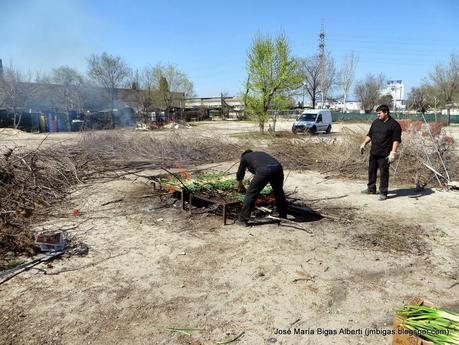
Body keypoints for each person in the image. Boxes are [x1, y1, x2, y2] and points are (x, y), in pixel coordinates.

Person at [360, 104, 402, 200]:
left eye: (379, 113)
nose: (377, 115)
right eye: (377, 113)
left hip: (385, 155)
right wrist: (364, 143)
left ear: (386, 112)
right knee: (371, 171)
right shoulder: (376, 122)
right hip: (374, 152)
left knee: (384, 173)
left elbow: (396, 140)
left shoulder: (394, 125)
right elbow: (370, 135)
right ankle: (371, 188)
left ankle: (383, 192)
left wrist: (393, 153)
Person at [235, 150, 288, 226]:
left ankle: (242, 220)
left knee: (251, 194)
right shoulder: (260, 154)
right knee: (279, 192)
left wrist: (240, 184)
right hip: (278, 168)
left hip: (264, 170)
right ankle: (283, 215)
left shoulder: (245, 157)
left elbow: (240, 172)